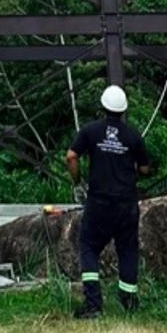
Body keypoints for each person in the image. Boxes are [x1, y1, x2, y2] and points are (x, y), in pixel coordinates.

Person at [66, 85, 151, 319]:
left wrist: (77, 181)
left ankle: (93, 305)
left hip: (98, 203)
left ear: (103, 106)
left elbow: (71, 156)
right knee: (127, 250)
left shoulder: (90, 131)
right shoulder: (133, 135)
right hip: (126, 203)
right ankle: (129, 300)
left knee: (89, 247)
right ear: (123, 110)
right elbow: (144, 168)